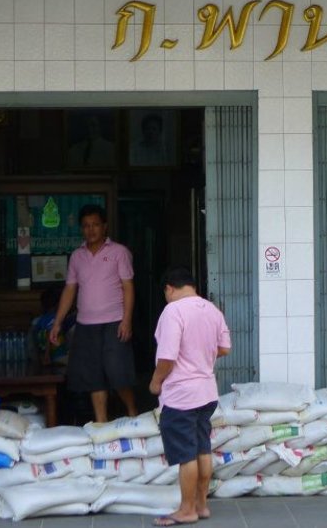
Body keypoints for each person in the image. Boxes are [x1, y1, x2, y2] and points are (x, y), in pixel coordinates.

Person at [150, 267, 231, 526]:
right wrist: (200, 355)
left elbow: (167, 357)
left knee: (186, 455)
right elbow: (224, 348)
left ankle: (186, 510)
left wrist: (155, 381)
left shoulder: (173, 311)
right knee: (202, 448)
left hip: (181, 396)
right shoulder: (212, 310)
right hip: (207, 392)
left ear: (169, 288)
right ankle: (201, 505)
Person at [49, 204, 137, 422]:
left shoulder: (119, 252)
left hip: (114, 322)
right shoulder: (76, 256)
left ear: (104, 226)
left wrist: (127, 320)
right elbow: (70, 289)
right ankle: (101, 423)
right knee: (93, 377)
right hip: (86, 324)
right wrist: (57, 322)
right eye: (86, 226)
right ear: (81, 229)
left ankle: (133, 412)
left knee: (118, 374)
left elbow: (128, 287)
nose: (91, 230)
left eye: (95, 225)